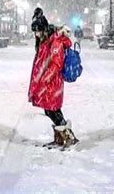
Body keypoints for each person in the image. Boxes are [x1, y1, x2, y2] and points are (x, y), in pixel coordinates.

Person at [28, 21, 78, 149]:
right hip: (48, 83)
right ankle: (61, 137)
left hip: (52, 83)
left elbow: (56, 63)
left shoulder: (55, 41)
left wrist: (45, 78)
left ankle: (68, 136)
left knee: (52, 110)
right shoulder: (49, 40)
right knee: (50, 109)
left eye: (38, 32)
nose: (37, 35)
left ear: (44, 30)